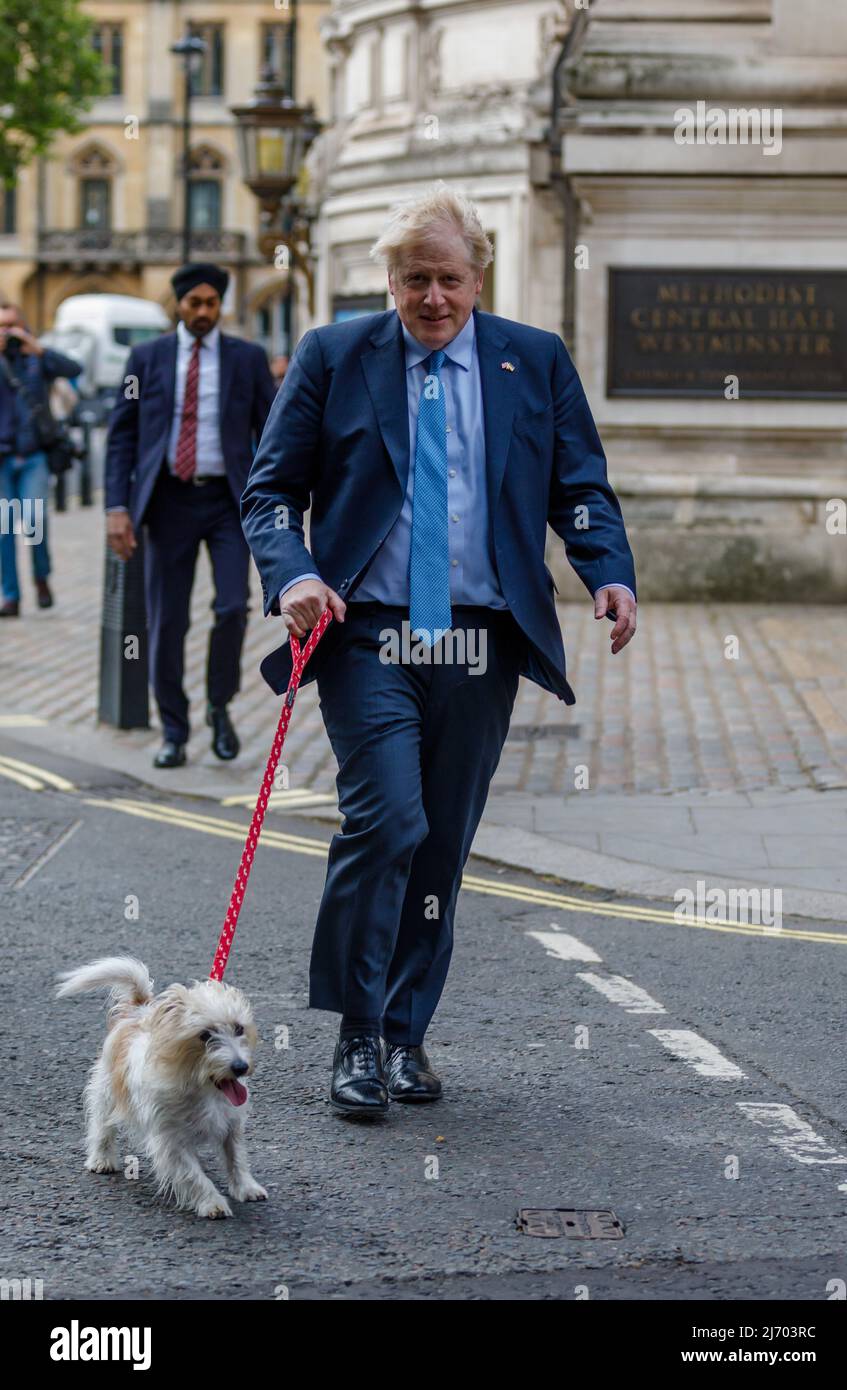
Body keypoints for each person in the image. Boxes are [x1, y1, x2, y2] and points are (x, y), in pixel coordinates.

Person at [240, 185, 637, 1118]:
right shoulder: (335, 356)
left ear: (478, 277)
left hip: (479, 636)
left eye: (448, 280)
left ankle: (406, 1034)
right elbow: (268, 492)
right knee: (388, 820)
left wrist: (605, 570)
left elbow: (579, 483)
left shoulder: (531, 361)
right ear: (389, 279)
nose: (432, 298)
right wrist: (294, 574)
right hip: (369, 628)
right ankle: (356, 1035)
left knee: (444, 841)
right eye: (414, 280)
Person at [104, 264, 276, 768]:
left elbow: (271, 433)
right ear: (177, 305)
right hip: (168, 503)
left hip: (228, 503)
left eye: (211, 303)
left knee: (230, 607)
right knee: (166, 622)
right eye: (194, 303)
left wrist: (279, 501)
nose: (203, 312)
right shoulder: (145, 359)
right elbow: (122, 435)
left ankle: (219, 707)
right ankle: (174, 731)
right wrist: (117, 507)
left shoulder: (247, 359)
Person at [0, 302, 81, 617]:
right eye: (1, 327)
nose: (7, 333)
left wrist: (40, 350)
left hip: (34, 455)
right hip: (2, 459)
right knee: (4, 529)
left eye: (12, 326)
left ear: (24, 327)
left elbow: (75, 370)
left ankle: (41, 577)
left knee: (34, 523)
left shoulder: (37, 360)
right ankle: (11, 596)